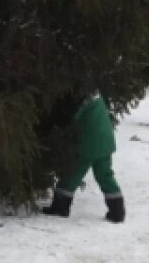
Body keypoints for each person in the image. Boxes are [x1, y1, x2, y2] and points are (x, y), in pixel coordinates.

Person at [41, 92, 125, 223]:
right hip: (105, 140)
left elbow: (70, 118)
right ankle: (117, 211)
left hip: (89, 143)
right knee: (105, 175)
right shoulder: (94, 93)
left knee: (71, 174)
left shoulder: (80, 97)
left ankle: (60, 207)